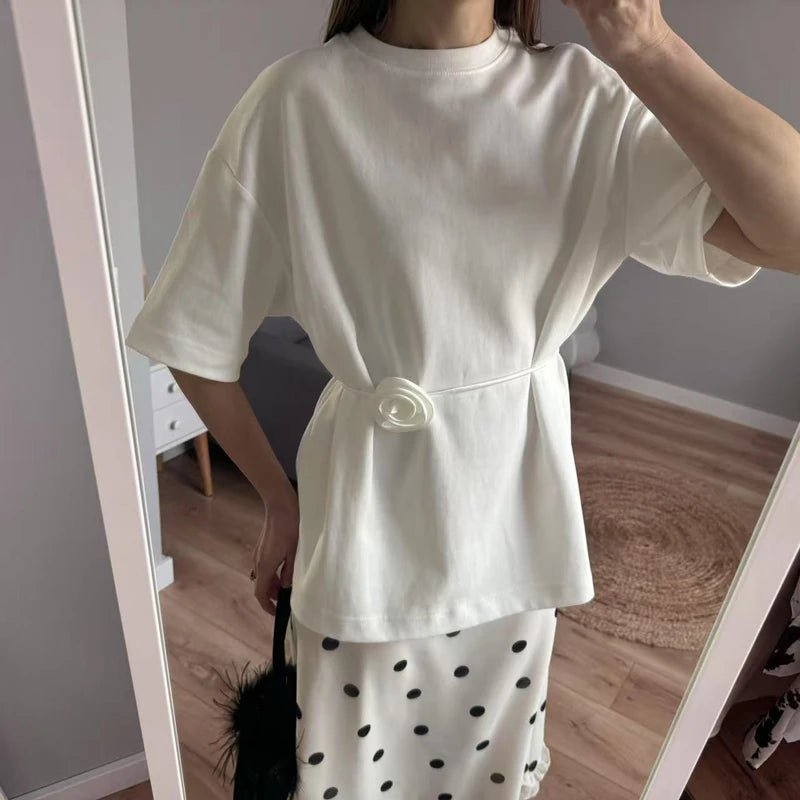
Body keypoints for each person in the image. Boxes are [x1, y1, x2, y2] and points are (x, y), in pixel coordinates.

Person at [126, 1, 800, 797]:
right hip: (364, 533)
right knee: (354, 769)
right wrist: (279, 500)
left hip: (511, 534)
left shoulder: (582, 98)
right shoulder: (296, 102)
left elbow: (787, 229)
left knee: (485, 768)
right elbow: (195, 334)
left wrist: (646, 43)